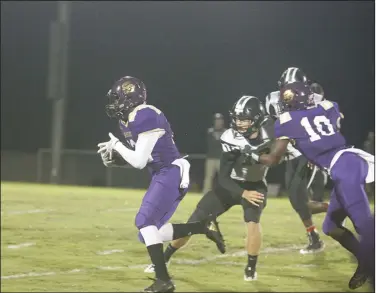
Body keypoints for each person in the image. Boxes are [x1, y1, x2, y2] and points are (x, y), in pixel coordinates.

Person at [97, 76, 225, 293]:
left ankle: (163, 281)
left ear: (129, 98)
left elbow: (139, 161)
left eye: (118, 98)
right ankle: (203, 227)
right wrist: (119, 161)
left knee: (144, 221)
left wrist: (117, 145)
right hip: (162, 173)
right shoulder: (126, 120)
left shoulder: (146, 114)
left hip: (172, 171)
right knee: (148, 232)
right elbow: (144, 158)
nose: (115, 103)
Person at [244, 81, 374, 290]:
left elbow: (274, 158)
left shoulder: (285, 122)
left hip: (343, 167)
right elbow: (331, 115)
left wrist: (253, 154)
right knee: (330, 227)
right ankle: (366, 263)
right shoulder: (327, 107)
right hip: (346, 163)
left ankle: (372, 266)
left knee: (366, 227)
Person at [145, 96, 273, 281]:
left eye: (244, 119)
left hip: (255, 185)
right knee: (194, 221)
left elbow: (285, 147)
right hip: (230, 185)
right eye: (237, 119)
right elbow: (223, 177)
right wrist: (243, 192)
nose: (240, 123)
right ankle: (165, 258)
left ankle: (250, 269)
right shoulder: (230, 137)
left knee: (252, 223)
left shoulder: (270, 134)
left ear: (257, 119)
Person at [265, 68, 327, 254]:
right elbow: (272, 127)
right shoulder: (273, 100)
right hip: (291, 154)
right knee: (296, 200)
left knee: (299, 198)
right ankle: (315, 236)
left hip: (308, 152)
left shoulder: (315, 100)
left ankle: (345, 211)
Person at [202, 113, 227, 195]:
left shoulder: (226, 132)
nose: (218, 122)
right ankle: (206, 194)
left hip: (221, 158)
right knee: (208, 178)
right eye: (216, 120)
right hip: (211, 158)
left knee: (223, 178)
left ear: (222, 121)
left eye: (220, 120)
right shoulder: (210, 131)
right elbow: (212, 144)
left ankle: (225, 193)